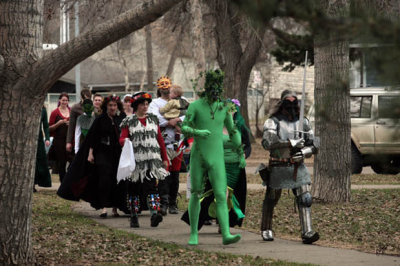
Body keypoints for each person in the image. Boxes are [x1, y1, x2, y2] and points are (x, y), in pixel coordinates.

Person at [181, 69, 242, 245]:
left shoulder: (224, 107)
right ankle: (193, 233)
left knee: (221, 195)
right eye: (213, 87)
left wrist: (238, 146)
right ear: (207, 88)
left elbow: (232, 130)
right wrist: (197, 131)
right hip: (199, 155)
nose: (216, 91)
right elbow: (184, 127)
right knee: (195, 193)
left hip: (217, 157)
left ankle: (226, 234)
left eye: (218, 87)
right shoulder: (195, 106)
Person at [260, 90, 319, 244]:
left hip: (297, 166)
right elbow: (268, 143)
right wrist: (290, 143)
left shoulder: (304, 122)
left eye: (294, 101)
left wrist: (304, 152)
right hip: (278, 165)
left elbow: (314, 145)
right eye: (288, 101)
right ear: (282, 103)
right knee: (271, 198)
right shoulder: (272, 122)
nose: (291, 104)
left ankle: (307, 231)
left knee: (305, 198)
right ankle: (266, 228)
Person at [181, 99, 251, 230]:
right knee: (215, 194)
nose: (230, 112)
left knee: (231, 196)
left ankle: (224, 223)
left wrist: (244, 156)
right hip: (218, 165)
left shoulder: (240, 126)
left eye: (233, 109)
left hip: (235, 167)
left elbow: (246, 145)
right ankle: (199, 222)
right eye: (228, 109)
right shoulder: (215, 125)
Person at [119, 92, 169, 228]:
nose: (145, 106)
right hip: (135, 162)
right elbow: (121, 138)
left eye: (147, 104)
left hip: (151, 161)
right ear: (137, 106)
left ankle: (154, 214)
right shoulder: (129, 121)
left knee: (152, 187)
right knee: (134, 189)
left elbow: (160, 140)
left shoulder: (153, 119)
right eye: (143, 104)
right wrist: (125, 141)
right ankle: (134, 216)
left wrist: (164, 158)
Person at [149, 76, 184, 215]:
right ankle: (163, 203)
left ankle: (172, 202)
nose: (165, 87)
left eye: (167, 85)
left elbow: (187, 114)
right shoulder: (155, 103)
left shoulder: (179, 101)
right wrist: (168, 122)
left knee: (175, 174)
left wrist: (178, 120)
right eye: (162, 85)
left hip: (177, 142)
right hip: (163, 143)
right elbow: (154, 117)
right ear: (159, 87)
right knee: (164, 173)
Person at [86, 95, 126, 217]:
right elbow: (93, 137)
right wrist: (90, 153)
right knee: (104, 179)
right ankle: (103, 207)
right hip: (103, 152)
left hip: (118, 153)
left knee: (117, 179)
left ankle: (115, 207)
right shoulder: (100, 119)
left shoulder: (122, 118)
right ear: (106, 106)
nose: (112, 108)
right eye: (110, 105)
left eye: (114, 105)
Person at [49, 92, 71, 183]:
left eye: (66, 100)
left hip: (69, 140)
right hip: (59, 141)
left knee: (71, 160)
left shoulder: (71, 111)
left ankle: (69, 180)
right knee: (62, 162)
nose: (64, 102)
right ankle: (63, 182)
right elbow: (49, 128)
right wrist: (58, 124)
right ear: (59, 100)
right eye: (63, 100)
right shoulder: (55, 112)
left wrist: (70, 124)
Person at [66, 89, 92, 154]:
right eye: (85, 99)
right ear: (81, 97)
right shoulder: (75, 108)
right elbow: (71, 125)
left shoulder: (93, 107)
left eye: (88, 99)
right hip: (80, 138)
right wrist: (68, 142)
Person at [34, 105, 52, 191]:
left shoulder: (43, 110)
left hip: (39, 138)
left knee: (40, 160)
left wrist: (47, 138)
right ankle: (32, 184)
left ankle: (39, 182)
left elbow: (45, 125)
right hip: (26, 139)